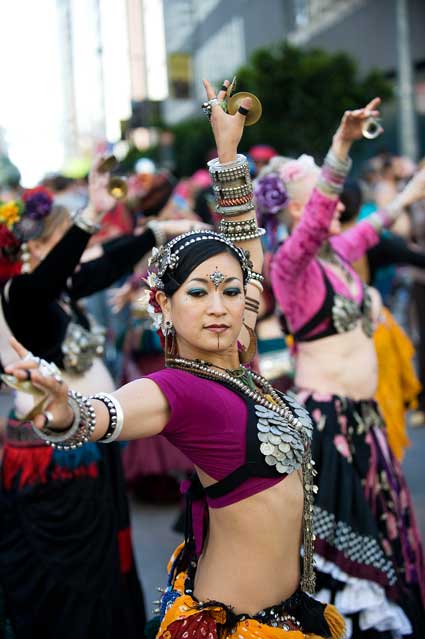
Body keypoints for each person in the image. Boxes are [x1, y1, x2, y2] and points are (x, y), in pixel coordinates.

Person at [5, 80, 346, 639]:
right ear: (162, 303)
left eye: (231, 292)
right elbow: (101, 416)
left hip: (292, 614)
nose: (219, 308)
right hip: (237, 629)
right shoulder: (176, 389)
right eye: (197, 293)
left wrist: (229, 153)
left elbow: (247, 251)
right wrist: (62, 409)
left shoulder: (238, 358)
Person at [0, 167, 199, 639]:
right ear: (36, 247)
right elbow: (67, 265)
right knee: (75, 568)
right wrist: (92, 212)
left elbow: (108, 261)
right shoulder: (23, 296)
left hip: (88, 442)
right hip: (53, 456)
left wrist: (158, 231)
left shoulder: (62, 289)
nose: (79, 248)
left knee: (107, 555)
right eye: (66, 241)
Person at [266, 102, 425, 637]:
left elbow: (373, 226)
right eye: (317, 192)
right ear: (294, 210)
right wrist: (341, 145)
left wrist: (409, 194)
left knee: (389, 539)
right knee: (347, 563)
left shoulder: (337, 254)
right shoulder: (292, 264)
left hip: (365, 421)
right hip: (329, 431)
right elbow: (317, 223)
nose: (331, 201)